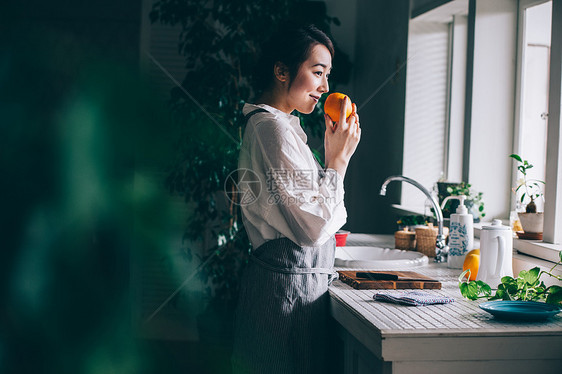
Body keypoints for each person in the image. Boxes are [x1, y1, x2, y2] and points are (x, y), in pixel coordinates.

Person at [231, 23, 361, 374]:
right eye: (317, 72)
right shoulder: (271, 128)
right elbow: (314, 228)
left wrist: (334, 162)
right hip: (283, 293)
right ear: (282, 70)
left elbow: (321, 215)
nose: (325, 87)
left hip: (296, 289)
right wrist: (338, 162)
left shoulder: (284, 128)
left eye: (327, 75)